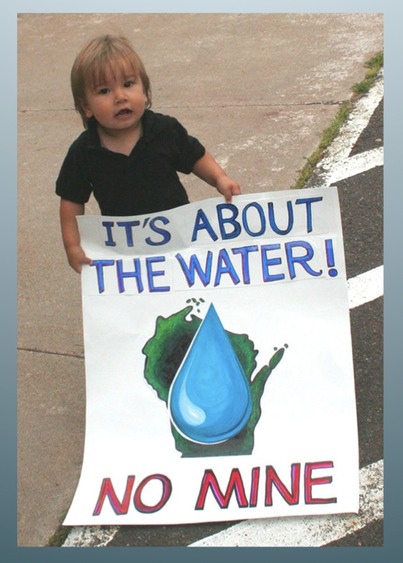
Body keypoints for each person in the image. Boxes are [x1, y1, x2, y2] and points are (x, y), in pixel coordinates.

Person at [55, 34, 241, 273]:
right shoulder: (84, 151)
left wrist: (219, 178)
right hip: (126, 252)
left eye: (128, 84)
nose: (120, 97)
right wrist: (72, 245)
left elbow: (195, 157)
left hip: (179, 238)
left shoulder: (164, 130)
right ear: (86, 107)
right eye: (104, 90)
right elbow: (71, 200)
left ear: (145, 91)